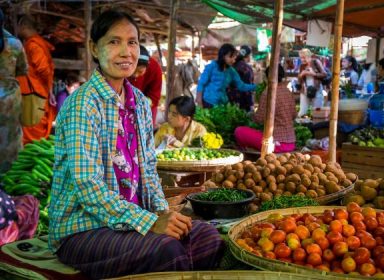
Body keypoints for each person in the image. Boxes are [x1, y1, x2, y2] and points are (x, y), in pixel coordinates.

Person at [48, 10, 224, 279]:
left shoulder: (140, 104)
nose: (126, 51)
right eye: (114, 42)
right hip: (82, 229)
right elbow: (88, 185)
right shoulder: (83, 104)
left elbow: (149, 170)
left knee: (207, 237)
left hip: (131, 222)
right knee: (167, 251)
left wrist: (163, 214)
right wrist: (151, 222)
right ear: (94, 48)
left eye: (132, 42)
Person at [235, 65, 296, 153]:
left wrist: (250, 115)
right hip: (291, 143)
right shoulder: (288, 91)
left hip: (275, 144)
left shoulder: (268, 92)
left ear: (268, 77)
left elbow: (259, 119)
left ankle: (247, 152)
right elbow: (294, 115)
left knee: (239, 131)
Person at [16, 15, 56, 145]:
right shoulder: (34, 43)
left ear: (24, 27)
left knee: (33, 137)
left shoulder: (33, 45)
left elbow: (44, 70)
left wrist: (45, 89)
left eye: (19, 27)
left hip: (35, 95)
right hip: (34, 93)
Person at [0, 9, 28, 173]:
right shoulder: (14, 44)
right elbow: (23, 70)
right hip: (10, 98)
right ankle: (9, 176)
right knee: (10, 138)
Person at [196, 43, 256, 108]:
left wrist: (256, 87)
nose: (233, 60)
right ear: (223, 56)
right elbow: (201, 83)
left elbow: (241, 86)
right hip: (207, 103)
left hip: (222, 104)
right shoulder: (212, 66)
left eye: (234, 57)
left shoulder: (231, 71)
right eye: (231, 57)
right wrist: (199, 101)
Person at [129, 45, 162, 127]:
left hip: (147, 106)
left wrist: (139, 105)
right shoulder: (124, 68)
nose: (136, 75)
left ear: (147, 66)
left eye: (140, 71)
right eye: (133, 71)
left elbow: (154, 97)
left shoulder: (155, 69)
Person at [297, 48, 327, 117]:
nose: (302, 60)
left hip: (316, 89)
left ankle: (316, 126)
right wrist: (301, 75)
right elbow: (299, 79)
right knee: (302, 111)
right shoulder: (302, 66)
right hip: (305, 90)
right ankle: (303, 124)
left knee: (317, 111)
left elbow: (324, 74)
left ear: (309, 56)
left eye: (304, 57)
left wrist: (313, 74)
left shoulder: (316, 62)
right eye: (301, 58)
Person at [227, 45, 254, 111]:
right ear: (248, 56)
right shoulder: (246, 68)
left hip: (230, 102)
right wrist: (251, 105)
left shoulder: (231, 67)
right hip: (242, 104)